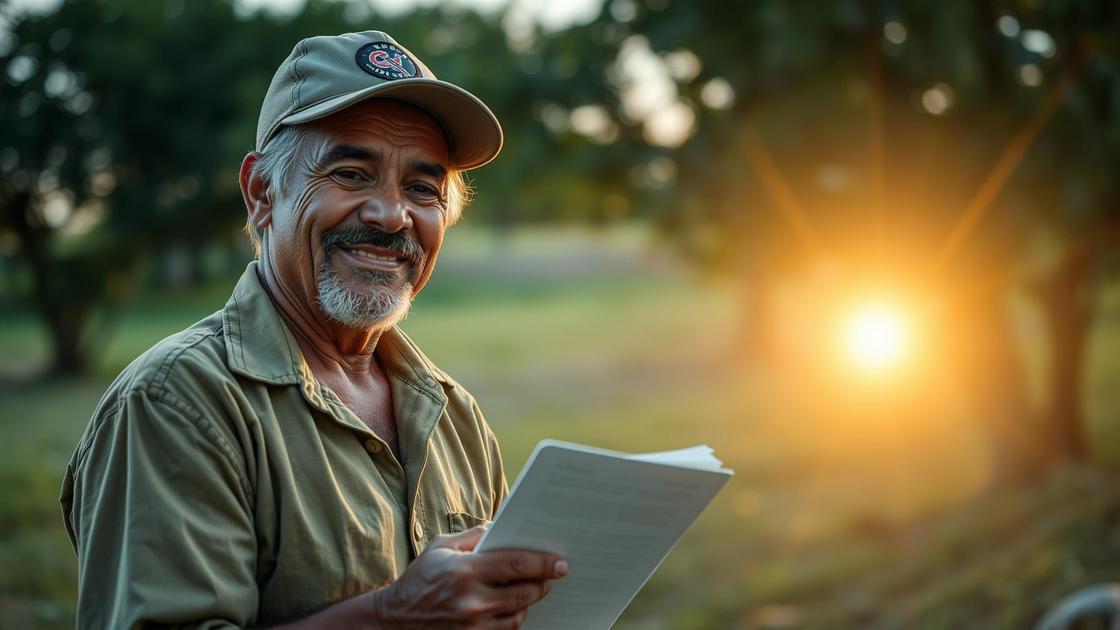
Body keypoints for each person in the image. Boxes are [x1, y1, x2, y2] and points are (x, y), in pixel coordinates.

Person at [60, 30, 566, 628]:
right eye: (351, 174)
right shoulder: (178, 402)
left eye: (422, 188)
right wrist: (394, 615)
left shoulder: (455, 417)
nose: (390, 214)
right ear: (261, 194)